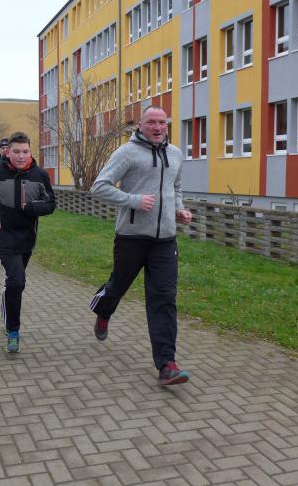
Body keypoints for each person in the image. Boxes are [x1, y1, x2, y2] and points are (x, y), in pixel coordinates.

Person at [88, 106, 193, 386]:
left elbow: (176, 187)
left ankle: (167, 365)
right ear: (141, 126)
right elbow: (99, 186)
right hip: (131, 238)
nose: (158, 127)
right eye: (151, 122)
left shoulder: (175, 154)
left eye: (162, 122)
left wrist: (179, 209)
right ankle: (103, 311)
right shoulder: (127, 153)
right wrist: (133, 200)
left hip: (165, 241)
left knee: (164, 299)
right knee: (118, 286)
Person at [0, 132, 55, 354]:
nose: (21, 156)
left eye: (25, 151)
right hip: (5, 237)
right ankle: (13, 332)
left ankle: (8, 297)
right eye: (16, 151)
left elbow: (51, 204)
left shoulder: (39, 174)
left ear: (30, 152)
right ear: (8, 152)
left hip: (28, 238)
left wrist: (33, 207)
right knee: (17, 281)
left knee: (15, 284)